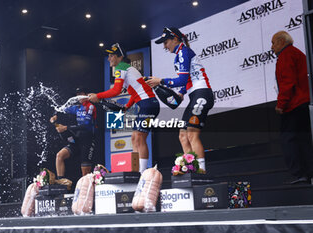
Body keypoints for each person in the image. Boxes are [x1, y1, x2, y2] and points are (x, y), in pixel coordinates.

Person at [146, 27, 214, 172]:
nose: (164, 46)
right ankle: (191, 168)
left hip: (202, 93)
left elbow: (182, 79)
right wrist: (182, 93)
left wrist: (161, 81)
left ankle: (201, 172)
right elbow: (188, 78)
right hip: (194, 94)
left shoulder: (183, 52)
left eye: (166, 42)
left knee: (191, 132)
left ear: (175, 39)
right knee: (183, 135)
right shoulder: (179, 54)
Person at [88, 43, 160, 173]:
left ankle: (142, 174)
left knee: (139, 137)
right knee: (134, 137)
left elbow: (116, 90)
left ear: (119, 57)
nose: (109, 58)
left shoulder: (121, 67)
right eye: (108, 56)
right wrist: (127, 106)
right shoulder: (127, 68)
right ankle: (137, 170)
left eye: (111, 56)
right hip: (148, 105)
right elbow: (135, 91)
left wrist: (97, 96)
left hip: (148, 105)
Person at [271, 31, 313, 184]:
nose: (272, 47)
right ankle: (308, 173)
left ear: (282, 41)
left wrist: (281, 104)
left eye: (274, 43)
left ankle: (299, 173)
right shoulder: (297, 53)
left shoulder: (286, 55)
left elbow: (287, 82)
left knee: (288, 139)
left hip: (293, 105)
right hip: (303, 103)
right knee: (304, 139)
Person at [50, 87, 97, 184]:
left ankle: (87, 190)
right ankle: (61, 182)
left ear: (86, 94)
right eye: (77, 95)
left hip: (87, 140)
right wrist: (55, 115)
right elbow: (59, 108)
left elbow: (85, 125)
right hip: (78, 139)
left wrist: (66, 128)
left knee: (85, 171)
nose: (79, 97)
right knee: (60, 155)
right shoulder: (77, 108)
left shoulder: (90, 106)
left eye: (81, 94)